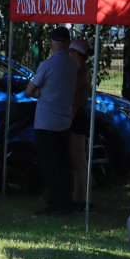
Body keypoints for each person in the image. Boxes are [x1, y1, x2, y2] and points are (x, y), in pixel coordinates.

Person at [26, 26, 78, 215]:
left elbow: (30, 90)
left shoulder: (47, 65)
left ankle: (54, 203)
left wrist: (40, 92)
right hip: (64, 120)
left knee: (50, 164)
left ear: (51, 43)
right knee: (64, 162)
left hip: (46, 121)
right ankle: (67, 202)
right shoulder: (73, 65)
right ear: (68, 43)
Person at [68, 38, 92, 211]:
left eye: (70, 51)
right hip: (78, 116)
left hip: (77, 117)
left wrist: (70, 116)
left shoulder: (80, 71)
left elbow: (75, 97)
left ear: (76, 53)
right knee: (77, 161)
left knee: (80, 161)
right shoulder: (80, 69)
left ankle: (84, 199)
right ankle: (77, 196)